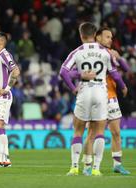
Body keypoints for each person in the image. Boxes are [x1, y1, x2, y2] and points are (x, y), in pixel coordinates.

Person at [59, 22, 127, 176]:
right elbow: (115, 74)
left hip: (84, 91)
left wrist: (73, 87)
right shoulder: (105, 52)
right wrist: (123, 86)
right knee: (99, 131)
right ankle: (96, 169)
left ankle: (75, 167)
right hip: (101, 92)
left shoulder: (77, 52)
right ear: (95, 34)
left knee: (78, 131)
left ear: (81, 35)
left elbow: (63, 72)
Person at [81, 27, 131, 175]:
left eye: (111, 37)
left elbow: (126, 69)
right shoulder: (95, 53)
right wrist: (123, 85)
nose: (111, 39)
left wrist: (119, 57)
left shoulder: (110, 53)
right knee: (92, 133)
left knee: (116, 132)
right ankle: (87, 166)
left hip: (111, 97)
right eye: (107, 37)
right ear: (98, 38)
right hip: (96, 97)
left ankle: (117, 164)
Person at [0, 31, 20, 168]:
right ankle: (4, 160)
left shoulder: (5, 54)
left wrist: (7, 88)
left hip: (2, 97)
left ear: (1, 41)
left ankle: (0, 160)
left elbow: (16, 71)